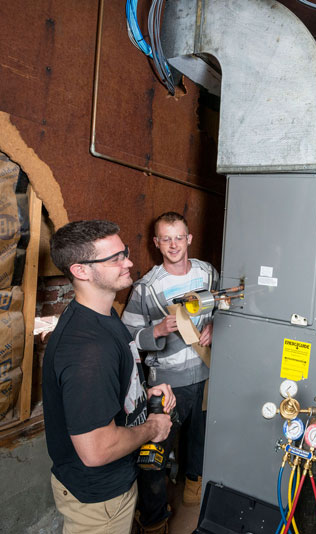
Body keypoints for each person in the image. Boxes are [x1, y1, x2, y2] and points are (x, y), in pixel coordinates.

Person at [42, 220, 175, 534]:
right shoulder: (87, 350)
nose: (128, 261)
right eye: (115, 258)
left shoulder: (103, 314)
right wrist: (153, 426)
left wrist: (143, 394)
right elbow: (96, 450)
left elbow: (110, 385)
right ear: (81, 271)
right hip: (99, 502)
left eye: (124, 252)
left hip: (114, 486)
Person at [121, 212, 218, 531]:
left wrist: (216, 326)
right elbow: (127, 336)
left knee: (200, 438)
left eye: (179, 237)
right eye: (166, 238)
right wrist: (157, 330)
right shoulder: (147, 288)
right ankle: (154, 519)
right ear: (156, 243)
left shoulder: (208, 274)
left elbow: (223, 309)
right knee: (154, 454)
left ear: (189, 239)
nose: (173, 245)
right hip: (166, 385)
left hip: (205, 376)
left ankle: (193, 486)